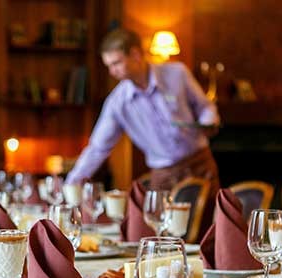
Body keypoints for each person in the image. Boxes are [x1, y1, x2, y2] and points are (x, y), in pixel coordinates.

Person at [65, 28, 221, 236]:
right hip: (164, 178)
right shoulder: (117, 102)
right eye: (109, 65)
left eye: (116, 63)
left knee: (209, 235)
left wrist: (207, 122)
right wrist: (71, 184)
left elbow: (205, 106)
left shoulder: (177, 73)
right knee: (169, 240)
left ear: (136, 54)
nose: (112, 71)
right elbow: (97, 148)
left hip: (202, 166)